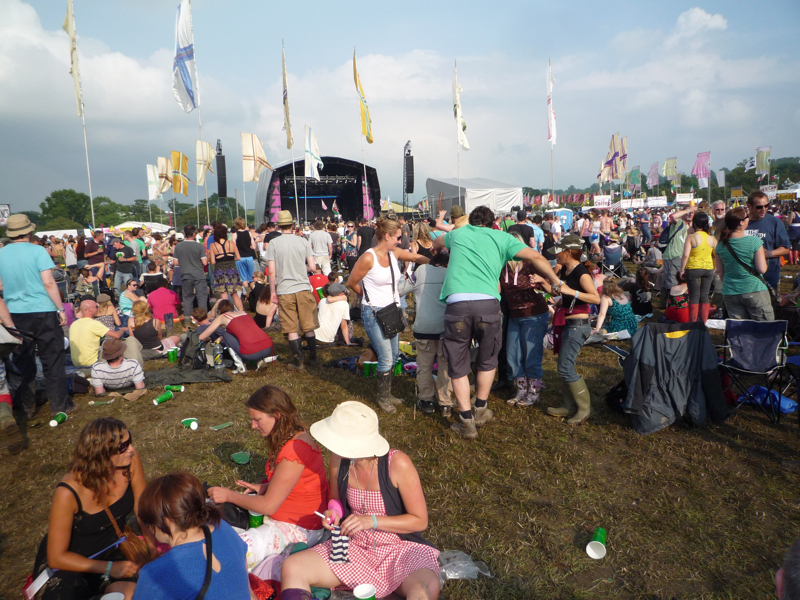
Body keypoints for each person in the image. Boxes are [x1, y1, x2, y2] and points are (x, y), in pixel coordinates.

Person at [281, 401, 440, 600]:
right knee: (293, 566)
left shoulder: (397, 464)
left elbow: (419, 521)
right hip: (354, 546)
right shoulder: (338, 458)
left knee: (425, 588)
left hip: (399, 548)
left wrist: (371, 520)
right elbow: (335, 499)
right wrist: (334, 512)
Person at [431, 206, 560, 439]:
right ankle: (480, 409)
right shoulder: (502, 237)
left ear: (471, 221)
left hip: (457, 303)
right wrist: (555, 281)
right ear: (493, 224)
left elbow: (438, 239)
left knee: (457, 364)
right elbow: (536, 257)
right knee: (488, 359)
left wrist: (437, 247)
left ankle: (466, 420)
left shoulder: (458, 234)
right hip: (488, 304)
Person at [32, 418, 156, 600]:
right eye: (122, 447)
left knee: (136, 594)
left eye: (130, 441)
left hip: (113, 553)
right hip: (70, 565)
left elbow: (141, 509)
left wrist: (152, 549)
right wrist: (109, 568)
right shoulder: (68, 492)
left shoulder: (131, 461)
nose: (131, 449)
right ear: (101, 454)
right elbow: (56, 557)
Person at [207, 386, 329, 561]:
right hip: (288, 518)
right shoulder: (289, 437)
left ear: (277, 416)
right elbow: (297, 483)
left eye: (257, 420)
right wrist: (266, 487)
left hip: (301, 527)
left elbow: (268, 506)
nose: (253, 426)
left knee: (232, 551)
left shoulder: (295, 449)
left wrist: (229, 495)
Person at [346, 217, 429, 413]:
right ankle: (382, 397)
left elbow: (416, 258)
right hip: (373, 313)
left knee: (393, 356)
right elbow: (351, 282)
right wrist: (368, 297)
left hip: (391, 311)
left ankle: (388, 393)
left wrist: (436, 263)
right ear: (386, 236)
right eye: (398, 237)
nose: (400, 241)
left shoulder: (394, 254)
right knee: (385, 357)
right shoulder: (368, 257)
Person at [0, 214, 71, 430]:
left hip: (15, 313)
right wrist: (60, 308)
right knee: (53, 359)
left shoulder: (1, 253)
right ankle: (59, 405)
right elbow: (49, 283)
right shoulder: (38, 251)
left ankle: (26, 407)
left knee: (22, 361)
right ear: (29, 231)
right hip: (43, 310)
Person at [134, 471, 253, 600]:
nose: (149, 528)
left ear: (167, 521)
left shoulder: (153, 575)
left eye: (148, 522)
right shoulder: (223, 528)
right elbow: (247, 591)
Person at [532, 234, 600, 425]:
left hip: (578, 326)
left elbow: (595, 298)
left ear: (568, 252)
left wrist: (572, 291)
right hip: (567, 324)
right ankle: (568, 405)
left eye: (559, 252)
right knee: (564, 366)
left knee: (565, 367)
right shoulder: (566, 271)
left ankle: (585, 409)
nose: (556, 255)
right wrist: (542, 282)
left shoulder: (581, 273)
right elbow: (557, 292)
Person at [499, 233, 549, 407]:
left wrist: (541, 281)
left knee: (531, 356)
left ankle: (534, 392)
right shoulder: (502, 266)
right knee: (513, 355)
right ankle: (521, 390)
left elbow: (549, 284)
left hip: (534, 315)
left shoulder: (530, 264)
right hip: (515, 315)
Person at [399, 252, 452, 415]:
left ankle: (426, 399)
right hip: (445, 328)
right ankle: (445, 402)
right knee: (445, 366)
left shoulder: (420, 271)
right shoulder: (451, 273)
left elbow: (402, 290)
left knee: (424, 366)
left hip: (423, 328)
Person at [265, 210, 319, 371]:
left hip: (285, 289)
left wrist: (273, 292)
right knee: (308, 325)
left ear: (279, 226)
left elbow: (272, 271)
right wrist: (301, 267)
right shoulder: (303, 241)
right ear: (293, 225)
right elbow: (313, 267)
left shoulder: (273, 243)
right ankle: (313, 358)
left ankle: (298, 361)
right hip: (303, 287)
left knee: (291, 327)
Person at [715, 206, 773, 321]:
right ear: (741, 222)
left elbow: (720, 271)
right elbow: (762, 269)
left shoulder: (720, 245)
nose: (748, 219)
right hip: (754, 289)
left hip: (730, 291)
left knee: (739, 328)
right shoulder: (754, 241)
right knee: (763, 326)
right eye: (747, 217)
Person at [198, 299, 274, 365]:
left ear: (219, 310)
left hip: (250, 353)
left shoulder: (222, 317)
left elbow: (202, 336)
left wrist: (208, 339)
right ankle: (260, 359)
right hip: (269, 348)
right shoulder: (244, 313)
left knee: (225, 334)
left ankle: (239, 365)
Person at [745, 190, 790, 291]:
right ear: (749, 206)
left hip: (769, 277)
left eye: (766, 206)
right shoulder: (741, 222)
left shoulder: (775, 222)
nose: (763, 209)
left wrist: (768, 254)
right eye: (759, 207)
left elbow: (785, 248)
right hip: (745, 278)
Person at [680, 211, 717, 323]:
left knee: (694, 296)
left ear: (694, 223)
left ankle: (693, 323)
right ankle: (703, 322)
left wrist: (682, 269)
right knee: (705, 296)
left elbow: (685, 255)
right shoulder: (712, 238)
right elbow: (716, 255)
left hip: (693, 268)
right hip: (708, 268)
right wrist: (715, 268)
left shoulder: (691, 237)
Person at [69, 299, 125, 367]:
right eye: (96, 306)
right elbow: (116, 335)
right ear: (90, 309)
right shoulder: (94, 324)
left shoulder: (74, 324)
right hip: (92, 362)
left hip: (76, 362)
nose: (98, 308)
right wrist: (123, 330)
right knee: (114, 344)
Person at [659, 206, 694, 309]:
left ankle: (664, 304)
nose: (690, 214)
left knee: (669, 280)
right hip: (673, 255)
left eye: (692, 213)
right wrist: (688, 209)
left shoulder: (690, 226)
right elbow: (673, 216)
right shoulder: (680, 223)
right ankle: (672, 306)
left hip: (680, 256)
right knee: (672, 282)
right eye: (688, 212)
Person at [172, 224, 209, 320]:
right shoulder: (199, 246)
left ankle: (187, 319)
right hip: (198, 274)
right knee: (202, 297)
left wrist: (184, 262)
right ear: (194, 234)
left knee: (187, 297)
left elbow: (175, 262)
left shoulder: (178, 246)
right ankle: (202, 318)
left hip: (186, 274)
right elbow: (204, 262)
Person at [209, 223, 244, 311]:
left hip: (219, 271)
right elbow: (238, 257)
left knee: (223, 295)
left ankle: (226, 313)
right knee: (234, 294)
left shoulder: (213, 245)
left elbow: (213, 261)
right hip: (231, 270)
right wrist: (231, 259)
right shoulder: (231, 243)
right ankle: (241, 312)